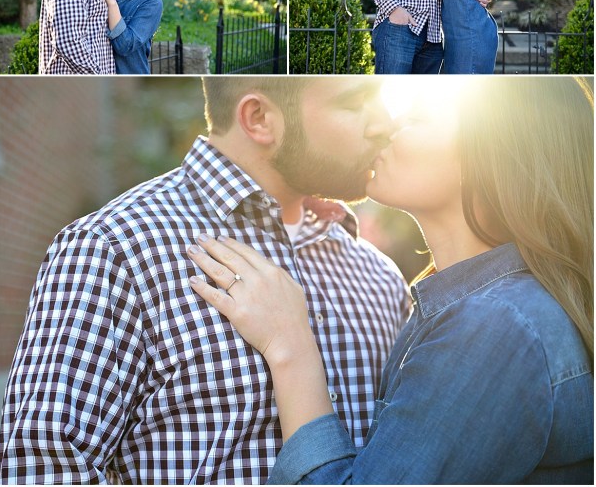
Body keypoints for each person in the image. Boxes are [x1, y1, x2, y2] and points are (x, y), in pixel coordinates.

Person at [0, 74, 411, 482]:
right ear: (259, 117)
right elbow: (38, 470)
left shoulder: (380, 277)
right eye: (355, 102)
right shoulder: (116, 249)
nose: (384, 123)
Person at [193, 80, 594, 485]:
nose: (386, 127)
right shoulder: (488, 306)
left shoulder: (494, 324)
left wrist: (291, 347)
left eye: (416, 118)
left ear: (492, 154)